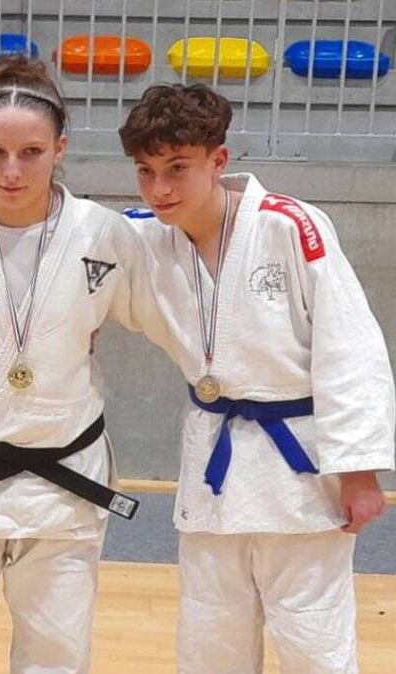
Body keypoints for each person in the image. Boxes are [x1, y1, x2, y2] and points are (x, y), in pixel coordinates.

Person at [117, 83, 392, 674]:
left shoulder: (291, 226)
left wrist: (360, 470)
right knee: (209, 642)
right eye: (145, 171)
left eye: (177, 168)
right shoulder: (141, 236)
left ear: (219, 160)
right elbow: (52, 229)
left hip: (301, 472)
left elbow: (351, 349)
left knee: (314, 642)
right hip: (214, 472)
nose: (160, 188)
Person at [0, 55, 157, 674]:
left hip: (63, 477)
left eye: (32, 153)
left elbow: (180, 258)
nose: (11, 171)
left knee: (56, 658)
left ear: (60, 147)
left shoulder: (105, 234)